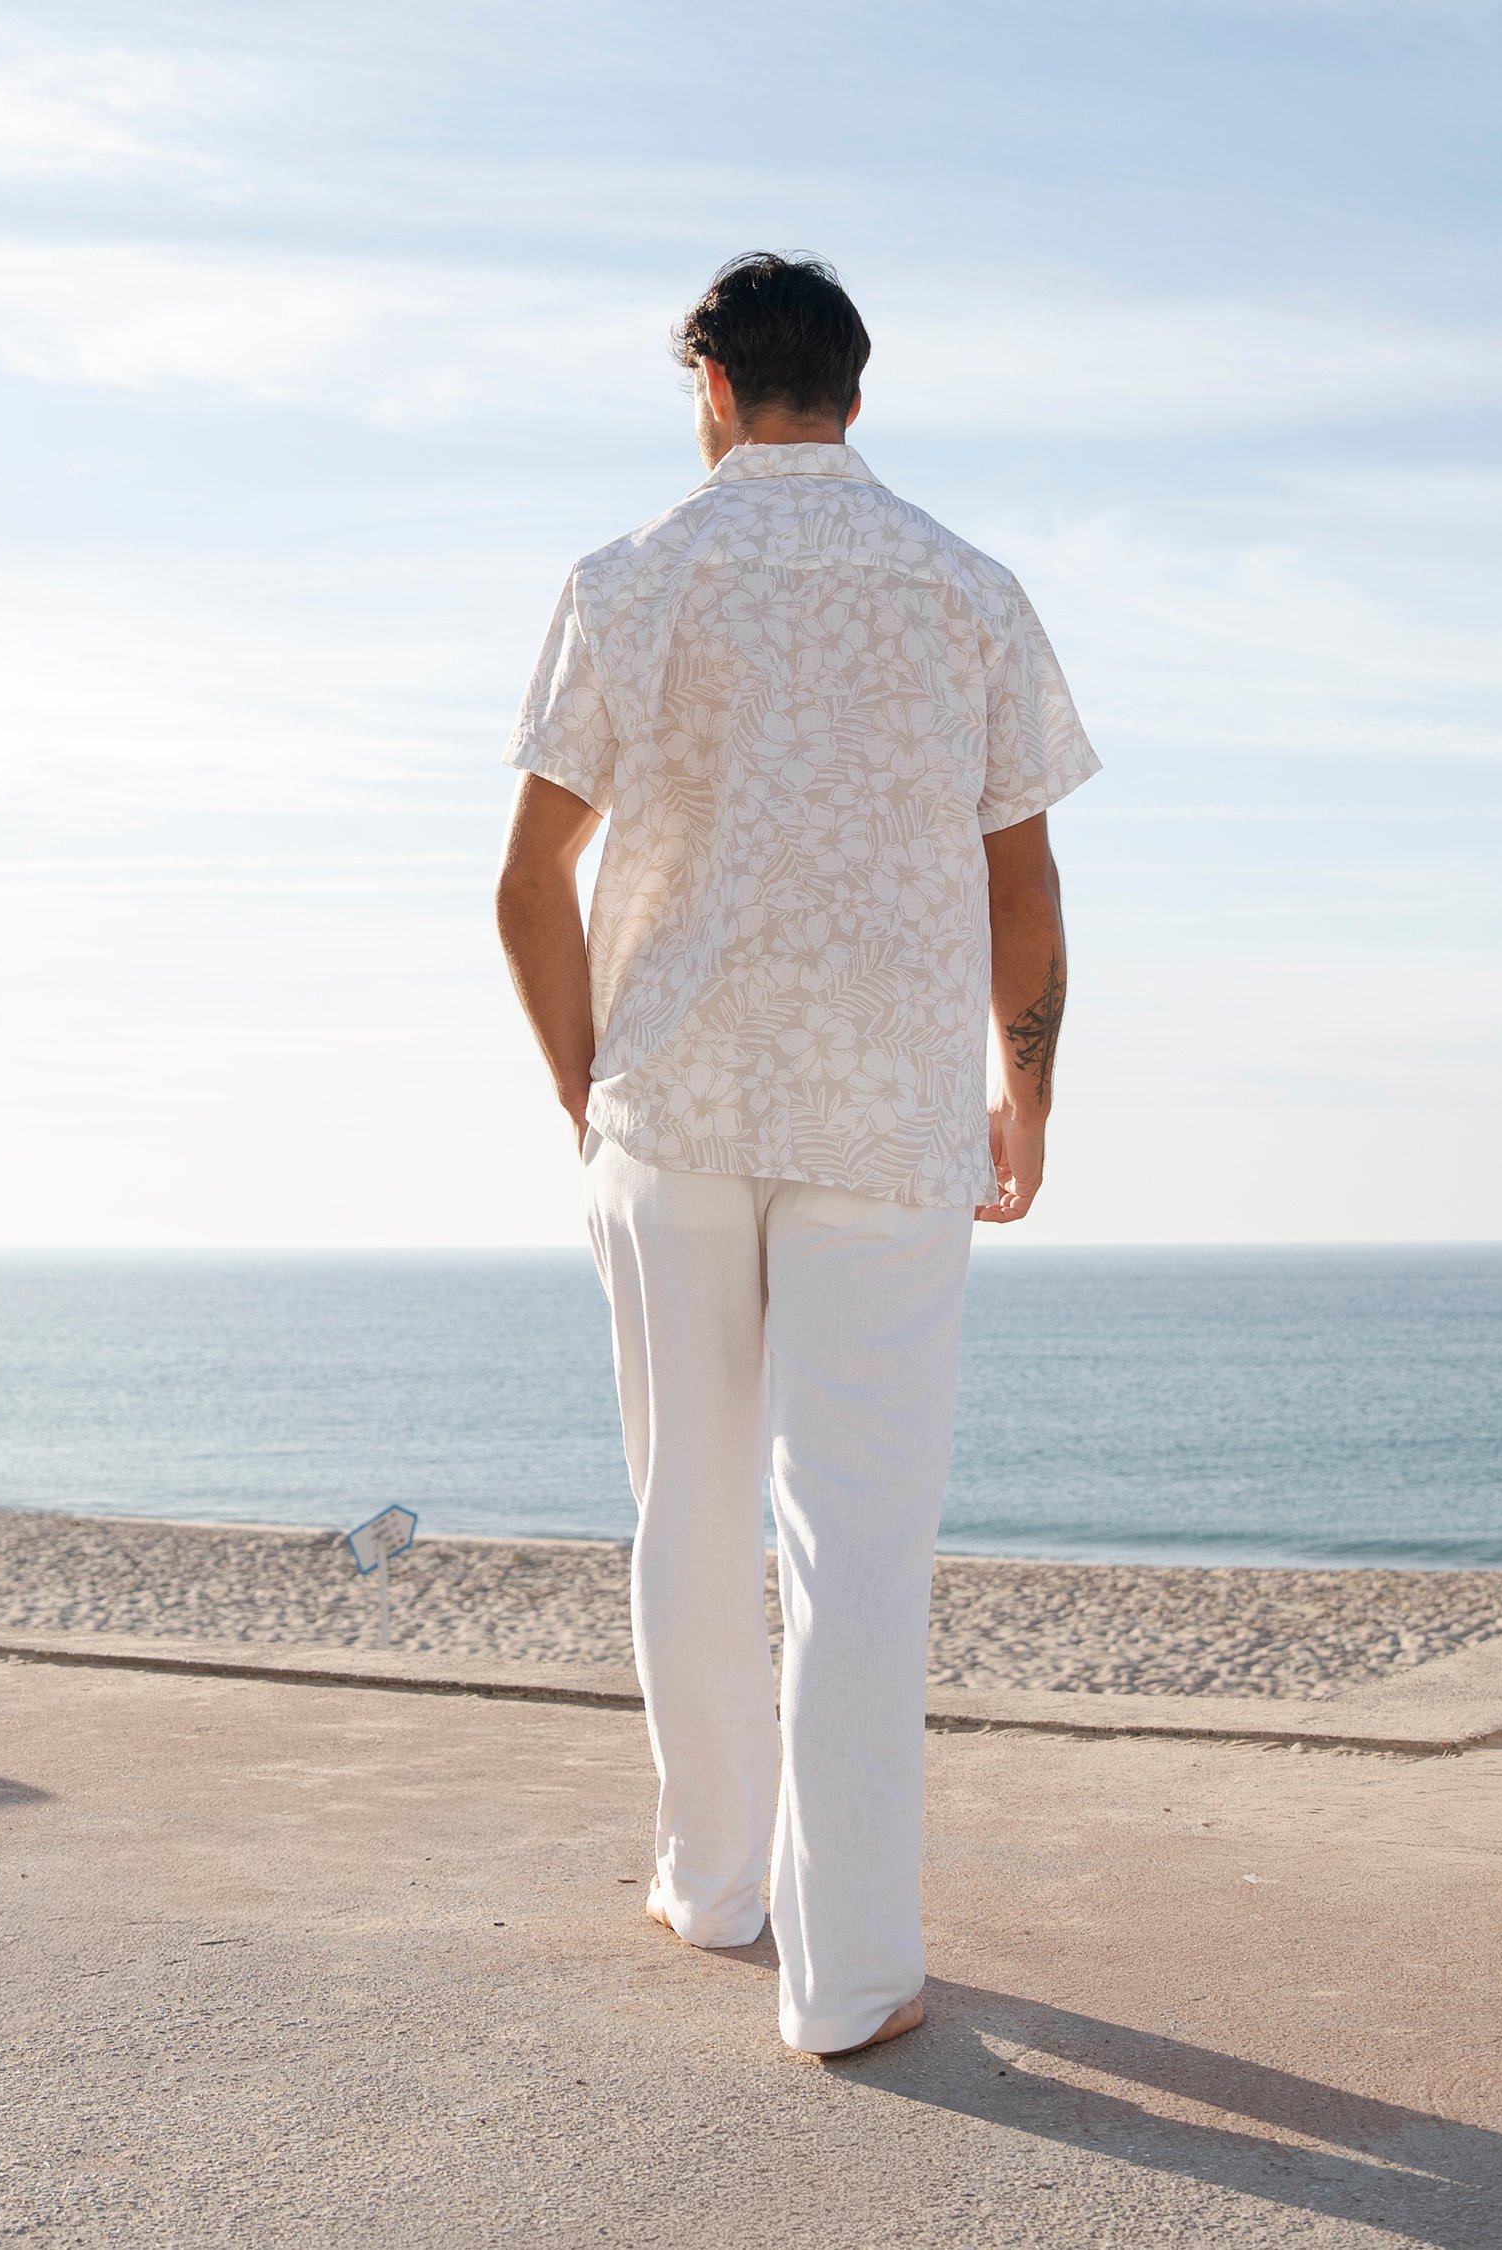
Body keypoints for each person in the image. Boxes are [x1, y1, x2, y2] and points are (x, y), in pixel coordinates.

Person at [496, 252, 1098, 2059]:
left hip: (670, 1112)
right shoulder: (967, 591)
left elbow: (527, 880)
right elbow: (1024, 885)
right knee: (858, 1541)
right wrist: (1031, 1089)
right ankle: (848, 1981)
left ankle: (709, 1880)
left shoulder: (629, 581)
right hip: (884, 1122)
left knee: (686, 1505)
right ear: (855, 389)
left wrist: (582, 1081)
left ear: (707, 382)